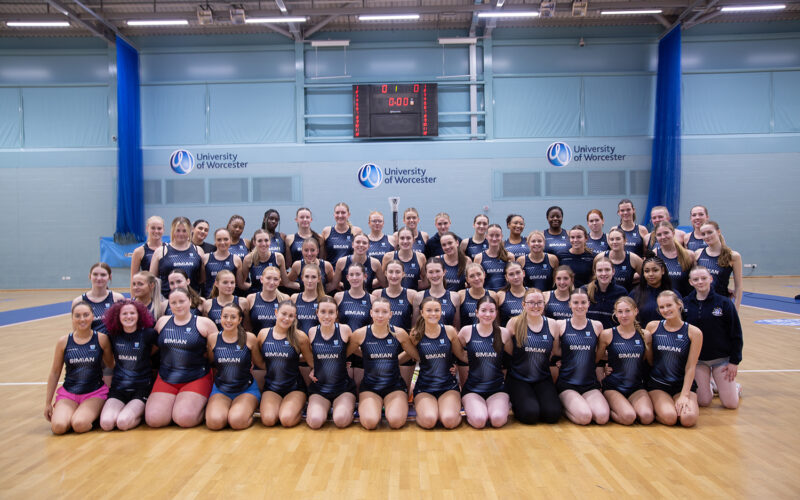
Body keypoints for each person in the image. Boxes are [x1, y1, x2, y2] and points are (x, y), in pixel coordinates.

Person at [144, 288, 218, 428]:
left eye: (181, 301)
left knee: (185, 419)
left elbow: (215, 353)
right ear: (169, 305)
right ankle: (174, 406)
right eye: (174, 302)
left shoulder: (205, 323)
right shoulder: (162, 322)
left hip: (196, 377)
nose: (178, 305)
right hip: (166, 378)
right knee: (154, 420)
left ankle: (201, 407)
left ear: (189, 301)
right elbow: (152, 349)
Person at [45, 302, 114, 434]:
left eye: (86, 315)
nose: (82, 319)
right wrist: (48, 403)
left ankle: (89, 415)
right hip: (68, 394)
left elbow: (111, 366)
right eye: (77, 316)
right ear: (72, 318)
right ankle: (73, 414)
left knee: (79, 424)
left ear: (92, 316)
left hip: (94, 393)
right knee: (58, 427)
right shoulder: (63, 342)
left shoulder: (101, 339)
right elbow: (55, 373)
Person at [351, 297, 420, 430]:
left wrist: (394, 360)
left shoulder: (399, 333)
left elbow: (415, 355)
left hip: (394, 387)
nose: (380, 315)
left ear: (390, 314)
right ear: (371, 313)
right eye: (377, 311)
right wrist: (367, 356)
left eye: (384, 311)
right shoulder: (360, 334)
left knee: (396, 422)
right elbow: (343, 354)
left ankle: (409, 389)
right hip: (370, 387)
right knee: (370, 422)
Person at [685, 266, 742, 409]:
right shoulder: (685, 304)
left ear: (710, 279)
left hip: (721, 360)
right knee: (704, 401)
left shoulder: (724, 303)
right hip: (698, 361)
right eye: (696, 279)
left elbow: (736, 334)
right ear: (691, 282)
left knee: (731, 404)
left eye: (703, 278)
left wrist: (734, 362)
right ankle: (710, 384)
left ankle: (735, 388)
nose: (700, 282)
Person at [504, 289, 563, 425]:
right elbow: (508, 351)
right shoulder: (514, 323)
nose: (535, 306)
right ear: (524, 304)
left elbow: (555, 351)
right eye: (531, 302)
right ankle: (518, 401)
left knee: (552, 415)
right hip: (518, 378)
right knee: (530, 414)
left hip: (542, 377)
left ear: (544, 304)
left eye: (539, 302)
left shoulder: (552, 324)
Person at [409, 297, 467, 429]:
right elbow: (409, 355)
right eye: (429, 310)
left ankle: (446, 411)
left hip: (448, 386)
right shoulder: (415, 334)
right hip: (424, 387)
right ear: (422, 312)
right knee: (429, 421)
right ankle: (425, 409)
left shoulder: (449, 331)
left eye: (437, 310)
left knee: (449, 420)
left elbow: (461, 355)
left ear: (441, 312)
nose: (433, 314)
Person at [645, 291, 702, 427]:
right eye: (662, 307)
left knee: (688, 419)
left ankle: (675, 403)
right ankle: (657, 410)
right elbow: (649, 360)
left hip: (682, 385)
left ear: (679, 304)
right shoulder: (652, 327)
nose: (665, 310)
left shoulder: (694, 332)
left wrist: (684, 395)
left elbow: (691, 366)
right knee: (670, 418)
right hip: (658, 385)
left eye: (669, 305)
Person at [99, 300, 158, 431]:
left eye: (132, 313)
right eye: (124, 314)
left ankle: (140, 414)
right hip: (119, 388)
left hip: (141, 389)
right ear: (118, 317)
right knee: (106, 424)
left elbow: (156, 348)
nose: (128, 316)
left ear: (139, 315)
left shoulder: (148, 334)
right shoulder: (113, 335)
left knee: (123, 422)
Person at [595, 297, 654, 425]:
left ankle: (627, 407)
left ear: (635, 311)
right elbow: (596, 359)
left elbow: (648, 361)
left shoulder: (645, 335)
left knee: (647, 417)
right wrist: (604, 369)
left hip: (636, 387)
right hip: (614, 387)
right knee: (628, 417)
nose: (624, 315)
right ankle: (610, 410)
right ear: (615, 314)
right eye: (620, 312)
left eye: (627, 311)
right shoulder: (607, 334)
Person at [555, 289, 609, 425]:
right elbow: (555, 351)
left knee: (602, 418)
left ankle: (579, 405)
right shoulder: (560, 325)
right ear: (569, 304)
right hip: (567, 384)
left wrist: (609, 367)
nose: (580, 306)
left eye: (583, 302)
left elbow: (601, 354)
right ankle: (564, 407)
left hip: (589, 383)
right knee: (585, 417)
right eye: (576, 302)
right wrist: (568, 357)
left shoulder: (597, 326)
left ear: (588, 304)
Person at [205, 303, 264, 430]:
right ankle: (227, 412)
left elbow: (260, 363)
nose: (228, 320)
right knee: (214, 423)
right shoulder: (213, 339)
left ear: (240, 319)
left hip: (246, 390)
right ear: (220, 318)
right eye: (225, 316)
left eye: (233, 317)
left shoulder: (249, 338)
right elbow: (211, 361)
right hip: (221, 390)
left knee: (237, 422)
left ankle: (245, 413)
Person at [457, 295, 512, 428]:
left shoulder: (504, 333)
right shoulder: (466, 331)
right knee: (479, 420)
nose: (487, 314)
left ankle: (504, 404)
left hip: (497, 389)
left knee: (497, 420)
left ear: (496, 313)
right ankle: (474, 408)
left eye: (491, 311)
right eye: (483, 310)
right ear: (477, 312)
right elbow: (455, 353)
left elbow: (513, 357)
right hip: (473, 389)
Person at [258, 300, 314, 427]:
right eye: (283, 314)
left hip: (294, 388)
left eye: (291, 316)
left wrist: (316, 369)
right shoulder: (263, 334)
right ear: (276, 312)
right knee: (268, 420)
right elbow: (260, 361)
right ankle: (280, 408)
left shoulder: (300, 337)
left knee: (286, 420)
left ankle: (297, 409)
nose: (286, 318)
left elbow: (311, 361)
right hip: (272, 388)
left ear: (295, 318)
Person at [306, 297, 357, 429]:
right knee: (315, 421)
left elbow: (354, 351)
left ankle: (347, 410)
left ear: (336, 314)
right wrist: (313, 368)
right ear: (317, 313)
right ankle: (324, 408)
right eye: (323, 312)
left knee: (341, 420)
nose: (327, 316)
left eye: (331, 312)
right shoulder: (312, 332)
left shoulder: (345, 330)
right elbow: (311, 356)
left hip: (343, 388)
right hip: (320, 389)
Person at [373, 260, 420, 387]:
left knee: (403, 389)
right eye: (391, 272)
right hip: (381, 348)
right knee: (381, 388)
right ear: (385, 273)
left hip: (404, 349)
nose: (394, 275)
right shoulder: (377, 294)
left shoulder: (412, 295)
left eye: (397, 272)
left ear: (403, 274)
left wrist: (410, 350)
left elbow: (415, 327)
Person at [334, 265, 372, 386]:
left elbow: (373, 326)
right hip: (345, 350)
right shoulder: (339, 297)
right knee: (346, 387)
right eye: (351, 275)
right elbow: (335, 324)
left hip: (362, 350)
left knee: (360, 388)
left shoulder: (372, 299)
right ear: (347, 277)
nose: (354, 278)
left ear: (365, 276)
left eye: (358, 274)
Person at [150, 216, 204, 297]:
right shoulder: (161, 251)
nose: (181, 234)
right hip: (167, 298)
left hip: (192, 298)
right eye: (178, 230)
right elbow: (152, 279)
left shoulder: (198, 251)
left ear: (190, 231)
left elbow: (202, 278)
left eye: (184, 231)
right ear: (173, 231)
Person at [695, 221, 743, 309]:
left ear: (718, 232)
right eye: (703, 234)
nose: (706, 236)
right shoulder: (698, 254)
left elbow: (738, 287)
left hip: (721, 305)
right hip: (701, 305)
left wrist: (735, 311)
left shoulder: (733, 256)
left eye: (710, 232)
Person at [73, 262, 125, 334]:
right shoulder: (79, 301)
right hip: (91, 341)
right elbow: (77, 332)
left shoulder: (118, 299)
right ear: (89, 276)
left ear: (110, 277)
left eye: (103, 275)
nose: (99, 278)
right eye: (95, 274)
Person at [629, 256, 678, 326]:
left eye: (655, 270)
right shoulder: (635, 294)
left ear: (663, 271)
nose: (651, 274)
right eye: (647, 271)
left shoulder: (673, 294)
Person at [239, 228, 290, 295]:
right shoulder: (249, 259)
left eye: (266, 240)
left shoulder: (278, 257)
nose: (263, 244)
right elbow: (242, 284)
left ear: (270, 241)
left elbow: (286, 283)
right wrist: (254, 289)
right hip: (255, 297)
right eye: (260, 241)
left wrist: (301, 286)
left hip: (274, 296)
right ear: (254, 242)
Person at [414, 257, 461, 328]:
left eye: (437, 271)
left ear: (444, 272)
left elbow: (456, 329)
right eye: (430, 272)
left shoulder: (454, 297)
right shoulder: (419, 297)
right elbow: (415, 328)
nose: (434, 275)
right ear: (426, 274)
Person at [584, 257, 628, 329]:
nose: (603, 273)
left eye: (607, 270)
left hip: (612, 334)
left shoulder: (621, 293)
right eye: (600, 270)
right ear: (595, 272)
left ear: (613, 271)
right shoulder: (584, 290)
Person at [653, 222, 695, 296]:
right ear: (656, 237)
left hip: (683, 300)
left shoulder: (689, 255)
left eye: (666, 233)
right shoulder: (654, 255)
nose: (663, 237)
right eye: (659, 235)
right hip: (661, 300)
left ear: (673, 233)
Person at [596, 228, 642, 292]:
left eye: (618, 239)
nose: (614, 242)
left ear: (625, 241)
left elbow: (645, 278)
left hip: (625, 296)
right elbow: (593, 278)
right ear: (608, 242)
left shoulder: (634, 259)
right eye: (612, 239)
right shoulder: (600, 257)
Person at [382, 226, 427, 290]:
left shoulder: (421, 257)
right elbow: (383, 281)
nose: (405, 241)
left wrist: (413, 289)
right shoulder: (388, 257)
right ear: (397, 241)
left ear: (413, 240)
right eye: (402, 238)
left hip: (413, 295)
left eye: (408, 238)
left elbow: (426, 281)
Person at [247, 267, 289, 334]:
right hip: (256, 339)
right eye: (268, 278)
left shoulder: (285, 299)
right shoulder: (251, 298)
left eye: (275, 279)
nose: (272, 282)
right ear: (261, 279)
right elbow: (247, 326)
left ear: (279, 281)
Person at [202, 228, 242, 298]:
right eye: (219, 240)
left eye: (226, 239)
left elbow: (240, 284)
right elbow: (202, 280)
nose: (222, 242)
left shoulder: (236, 259)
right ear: (215, 241)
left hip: (230, 301)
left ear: (230, 240)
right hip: (210, 299)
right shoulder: (206, 258)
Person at [291, 263, 328, 334]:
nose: (310, 280)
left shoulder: (326, 300)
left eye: (313, 277)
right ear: (302, 278)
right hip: (298, 340)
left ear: (319, 279)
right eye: (307, 277)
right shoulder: (294, 298)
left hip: (318, 340)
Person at [474, 224, 512, 292]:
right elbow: (475, 280)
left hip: (505, 295)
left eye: (497, 235)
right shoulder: (479, 258)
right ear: (486, 237)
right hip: (486, 296)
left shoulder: (509, 256)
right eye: (491, 235)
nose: (494, 238)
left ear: (502, 236)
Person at [457, 263, 496, 327]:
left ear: (484, 274)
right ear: (467, 279)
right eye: (472, 276)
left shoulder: (493, 295)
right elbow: (457, 323)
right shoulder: (461, 295)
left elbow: (496, 322)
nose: (476, 278)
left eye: (479, 274)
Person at [497, 262, 526, 327]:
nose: (515, 277)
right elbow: (496, 322)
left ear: (523, 273)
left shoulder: (532, 294)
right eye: (511, 274)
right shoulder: (500, 296)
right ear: (506, 277)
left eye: (518, 272)